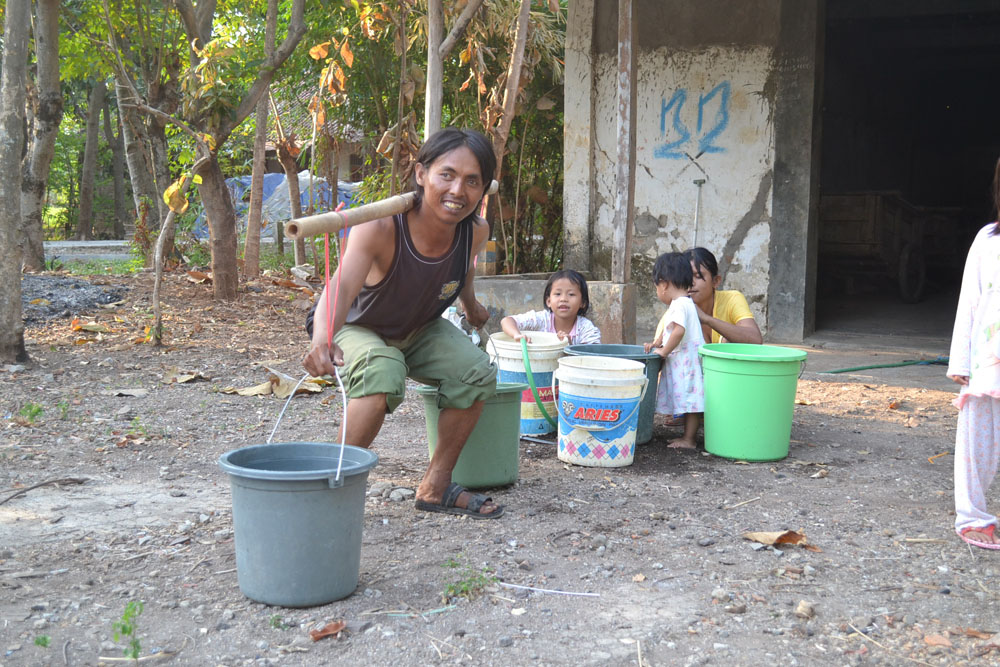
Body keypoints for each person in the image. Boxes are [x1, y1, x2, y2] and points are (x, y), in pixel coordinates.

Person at [302, 128, 503, 520]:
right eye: (447, 174)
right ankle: (328, 495)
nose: (458, 190)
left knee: (476, 373)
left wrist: (472, 307)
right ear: (420, 173)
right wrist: (322, 337)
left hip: (419, 327)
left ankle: (436, 487)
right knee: (382, 370)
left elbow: (462, 274)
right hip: (357, 325)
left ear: (483, 190)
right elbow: (340, 290)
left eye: (472, 181)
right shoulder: (379, 227)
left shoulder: (475, 232)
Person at [947, 161, 1000, 549]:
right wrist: (961, 361)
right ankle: (973, 517)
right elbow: (970, 301)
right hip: (990, 360)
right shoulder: (988, 239)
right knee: (978, 442)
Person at [644, 252, 705, 449]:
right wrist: (657, 342)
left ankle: (689, 439)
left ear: (663, 284)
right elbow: (669, 330)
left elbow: (678, 330)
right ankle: (686, 437)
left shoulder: (679, 304)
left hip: (686, 362)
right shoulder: (685, 303)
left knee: (691, 402)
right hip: (687, 359)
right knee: (689, 399)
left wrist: (663, 352)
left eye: (656, 287)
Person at [683, 247, 763, 345]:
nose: (691, 283)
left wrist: (706, 319)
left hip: (731, 360)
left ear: (715, 281)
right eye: (685, 277)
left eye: (698, 276)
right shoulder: (677, 311)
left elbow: (755, 339)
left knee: (729, 340)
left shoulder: (731, 299)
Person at [500, 269, 602, 344]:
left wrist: (570, 347)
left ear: (582, 303)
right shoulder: (541, 320)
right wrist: (517, 335)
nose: (563, 299)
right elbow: (507, 321)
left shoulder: (586, 329)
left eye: (571, 294)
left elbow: (592, 356)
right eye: (558, 294)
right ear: (548, 301)